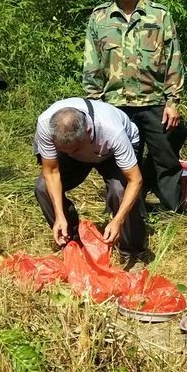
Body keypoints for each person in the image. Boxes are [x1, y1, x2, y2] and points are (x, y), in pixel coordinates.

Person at [83, 0, 185, 212]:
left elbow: (173, 59)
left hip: (154, 103)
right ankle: (128, 212)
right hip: (115, 105)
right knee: (121, 162)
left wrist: (173, 101)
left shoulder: (160, 16)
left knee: (166, 161)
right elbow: (92, 63)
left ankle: (172, 212)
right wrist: (94, 107)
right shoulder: (99, 19)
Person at [33, 97, 146, 258]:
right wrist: (59, 215)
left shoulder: (112, 130)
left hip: (110, 152)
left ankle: (132, 251)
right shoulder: (46, 125)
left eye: (75, 148)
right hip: (80, 150)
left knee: (119, 190)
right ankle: (70, 242)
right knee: (42, 187)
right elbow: (51, 172)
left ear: (87, 131)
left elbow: (135, 180)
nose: (70, 153)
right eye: (64, 150)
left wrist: (117, 220)